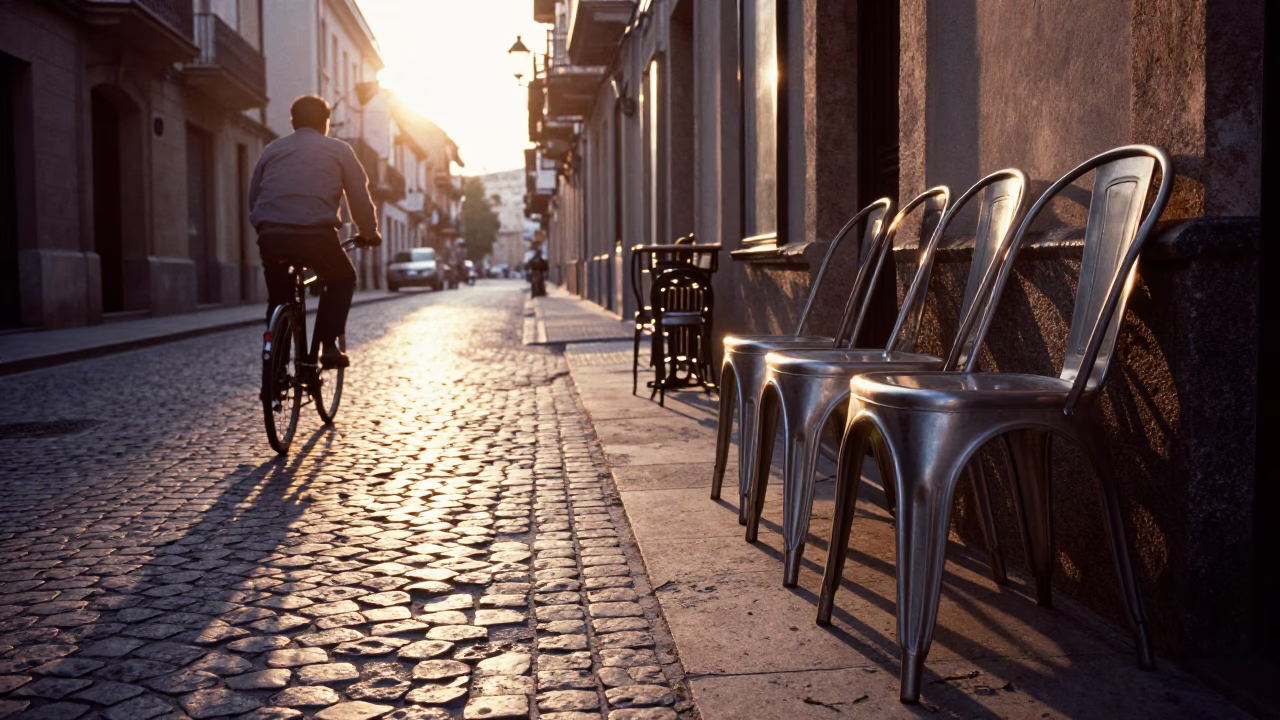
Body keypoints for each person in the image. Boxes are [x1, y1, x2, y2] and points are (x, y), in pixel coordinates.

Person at [248, 95, 381, 369]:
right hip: (316, 235)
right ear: (326, 123)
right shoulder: (338, 150)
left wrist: (265, 225)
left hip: (271, 234)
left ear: (293, 122)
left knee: (279, 297)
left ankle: (276, 366)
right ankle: (329, 345)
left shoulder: (273, 150)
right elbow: (358, 195)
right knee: (342, 278)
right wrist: (369, 232)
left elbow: (254, 196)